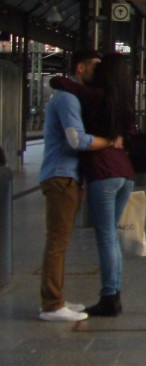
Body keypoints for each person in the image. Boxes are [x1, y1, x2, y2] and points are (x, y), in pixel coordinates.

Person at [52, 53, 137, 317]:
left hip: (103, 171)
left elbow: (61, 83)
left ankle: (110, 297)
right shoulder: (124, 103)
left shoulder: (96, 97)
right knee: (112, 236)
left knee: (106, 237)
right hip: (125, 173)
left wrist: (68, 78)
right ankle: (114, 293)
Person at [38, 48, 119, 322]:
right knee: (57, 242)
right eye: (95, 68)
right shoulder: (67, 99)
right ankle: (51, 304)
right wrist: (108, 141)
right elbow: (76, 140)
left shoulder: (72, 96)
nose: (99, 74)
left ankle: (56, 298)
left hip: (68, 176)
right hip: (60, 175)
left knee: (61, 241)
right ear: (81, 68)